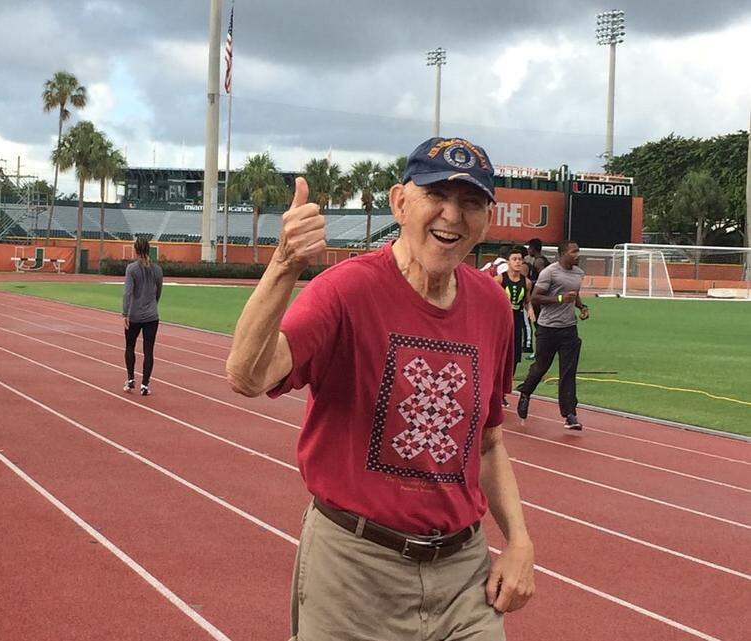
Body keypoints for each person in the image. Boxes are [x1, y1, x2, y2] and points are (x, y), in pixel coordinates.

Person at [226, 137, 534, 641]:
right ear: (399, 201)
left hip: (463, 575)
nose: (452, 216)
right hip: (355, 568)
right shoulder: (345, 290)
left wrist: (519, 542)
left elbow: (488, 440)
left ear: (486, 218)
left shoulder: (492, 305)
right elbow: (247, 375)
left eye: (471, 203)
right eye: (437, 195)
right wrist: (285, 263)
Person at [516, 240, 589, 430]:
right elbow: (535, 298)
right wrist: (559, 299)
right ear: (563, 253)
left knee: (568, 372)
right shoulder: (550, 272)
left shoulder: (578, 273)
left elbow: (574, 294)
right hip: (548, 328)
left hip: (569, 329)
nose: (577, 255)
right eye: (574, 251)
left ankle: (570, 414)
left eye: (578, 251)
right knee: (541, 367)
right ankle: (525, 392)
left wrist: (582, 307)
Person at [122, 236, 163, 396]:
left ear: (136, 250)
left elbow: (127, 293)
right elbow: (159, 291)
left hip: (134, 315)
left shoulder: (131, 269)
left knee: (130, 346)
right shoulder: (157, 269)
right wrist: (154, 304)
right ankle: (145, 384)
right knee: (149, 350)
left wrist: (125, 313)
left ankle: (131, 379)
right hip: (152, 316)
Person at [496, 246, 535, 395]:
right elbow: (490, 295)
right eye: (514, 259)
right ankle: (496, 387)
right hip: (502, 321)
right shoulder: (500, 279)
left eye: (520, 259)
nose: (518, 262)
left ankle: (504, 390)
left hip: (517, 320)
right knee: (501, 354)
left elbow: (527, 300)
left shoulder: (527, 283)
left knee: (514, 355)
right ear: (508, 262)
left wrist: (530, 309)